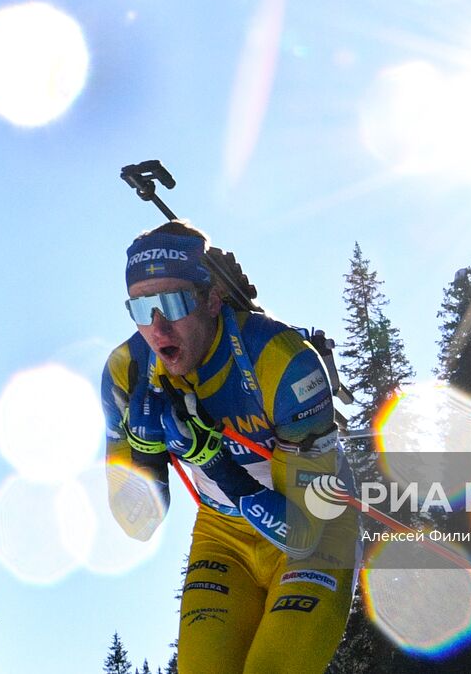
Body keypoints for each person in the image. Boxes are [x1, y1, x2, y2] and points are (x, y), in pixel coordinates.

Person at [100, 221, 356, 674]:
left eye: (172, 303)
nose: (157, 327)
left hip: (315, 530)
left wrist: (213, 462)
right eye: (141, 309)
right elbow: (138, 524)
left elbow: (303, 534)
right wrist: (143, 452)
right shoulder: (128, 372)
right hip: (223, 537)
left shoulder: (280, 361)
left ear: (212, 298)